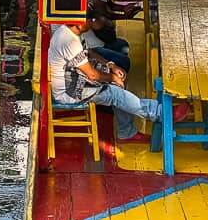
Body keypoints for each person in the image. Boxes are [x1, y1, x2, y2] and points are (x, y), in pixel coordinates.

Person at [48, 23, 188, 143]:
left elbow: (88, 52)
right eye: (90, 21)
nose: (91, 24)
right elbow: (92, 74)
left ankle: (126, 132)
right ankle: (161, 113)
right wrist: (112, 77)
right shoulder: (68, 40)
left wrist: (111, 65)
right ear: (80, 23)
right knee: (115, 93)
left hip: (76, 80)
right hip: (70, 92)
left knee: (116, 83)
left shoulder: (72, 32)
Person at [80, 9, 131, 74]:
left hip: (99, 44)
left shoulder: (88, 9)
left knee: (123, 45)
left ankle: (115, 69)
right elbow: (97, 26)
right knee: (124, 61)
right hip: (94, 48)